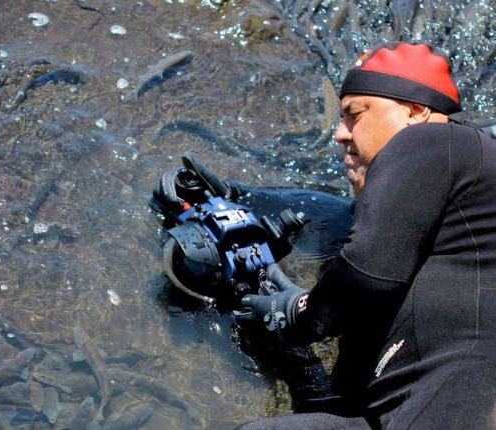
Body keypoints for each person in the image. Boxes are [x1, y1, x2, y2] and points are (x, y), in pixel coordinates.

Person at [152, 41, 496, 429]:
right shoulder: (447, 220)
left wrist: (299, 315)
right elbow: (336, 222)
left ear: (416, 111)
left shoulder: (438, 141)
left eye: (354, 115)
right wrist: (236, 199)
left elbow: (366, 270)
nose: (339, 134)